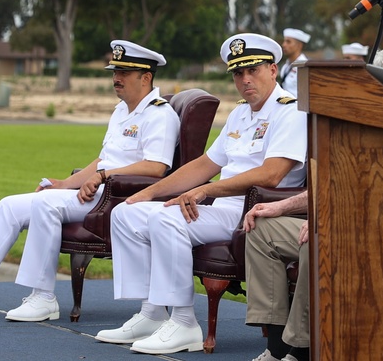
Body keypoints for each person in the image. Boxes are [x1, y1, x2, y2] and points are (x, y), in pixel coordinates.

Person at [0, 41, 180, 322]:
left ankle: (42, 297)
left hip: (120, 199)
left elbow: (155, 167)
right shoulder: (121, 112)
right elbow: (102, 161)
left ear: (146, 77)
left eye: (124, 73)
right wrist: (65, 183)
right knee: (9, 206)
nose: (116, 78)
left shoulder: (160, 115)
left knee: (45, 203)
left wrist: (103, 177)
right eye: (115, 71)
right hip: (97, 193)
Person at [242, 43, 383, 361]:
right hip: (357, 220)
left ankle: (300, 347)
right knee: (263, 229)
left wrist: (331, 216)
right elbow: (348, 181)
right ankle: (276, 346)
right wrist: (283, 206)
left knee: (320, 240)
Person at [95, 33, 307, 355]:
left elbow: (272, 173)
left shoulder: (289, 112)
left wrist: (205, 190)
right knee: (126, 212)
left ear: (273, 70)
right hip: (224, 207)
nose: (245, 80)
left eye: (253, 70)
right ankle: (152, 313)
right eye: (238, 73)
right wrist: (146, 194)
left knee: (168, 221)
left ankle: (183, 322)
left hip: (258, 210)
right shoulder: (240, 114)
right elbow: (205, 164)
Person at [279, 28, 310, 95]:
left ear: (299, 45)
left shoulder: (305, 67)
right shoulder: (285, 66)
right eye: (284, 41)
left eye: (288, 42)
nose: (284, 45)